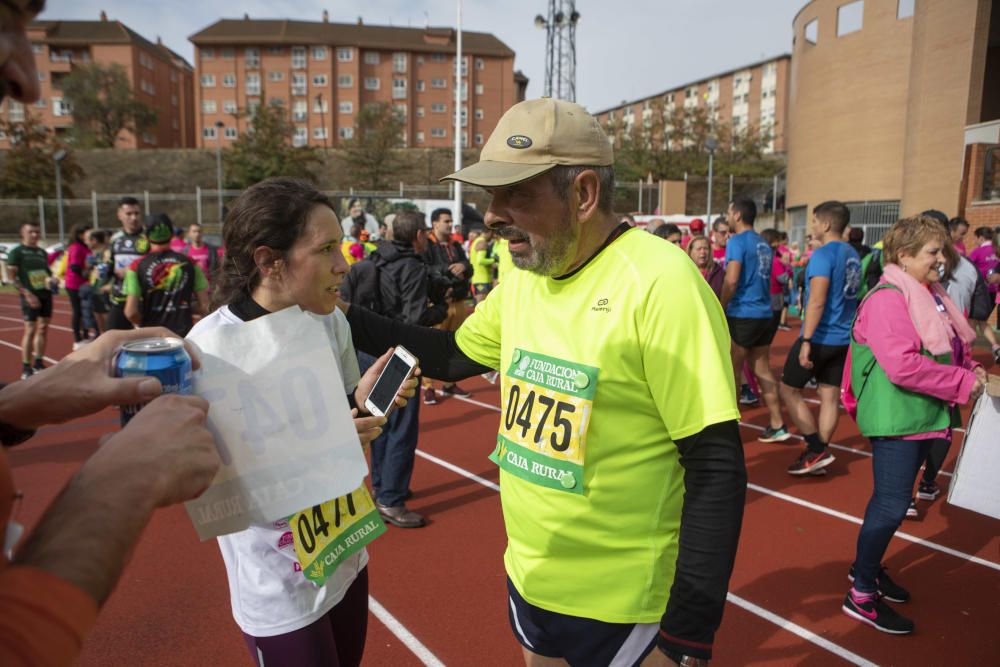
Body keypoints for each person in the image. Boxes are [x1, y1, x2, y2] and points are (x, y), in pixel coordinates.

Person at [340, 98, 746, 666]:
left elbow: (716, 465)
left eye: (518, 194)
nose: (494, 215)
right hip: (531, 578)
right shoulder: (527, 276)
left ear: (583, 194)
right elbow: (454, 355)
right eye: (491, 196)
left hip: (627, 602)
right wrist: (339, 313)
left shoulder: (661, 281)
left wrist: (687, 636)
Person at [188, 177, 417, 667]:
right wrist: (319, 444)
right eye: (327, 249)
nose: (344, 263)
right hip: (280, 584)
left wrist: (366, 401)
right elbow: (208, 486)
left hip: (344, 553)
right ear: (270, 261)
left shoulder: (328, 319)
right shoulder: (207, 350)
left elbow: (341, 421)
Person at [841, 215, 985, 634]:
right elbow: (902, 366)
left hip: (923, 413)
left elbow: (950, 348)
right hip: (900, 417)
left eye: (943, 250)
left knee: (891, 504)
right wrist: (962, 381)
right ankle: (861, 593)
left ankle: (863, 569)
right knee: (889, 505)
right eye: (933, 252)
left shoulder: (929, 292)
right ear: (903, 256)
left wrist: (970, 368)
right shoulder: (889, 298)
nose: (942, 259)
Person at [341, 211, 447, 528]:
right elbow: (413, 321)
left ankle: (383, 486)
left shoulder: (376, 259)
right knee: (401, 427)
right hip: (396, 358)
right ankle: (391, 498)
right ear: (417, 235)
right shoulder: (412, 267)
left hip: (367, 352)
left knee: (379, 424)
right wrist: (440, 308)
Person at [779, 202, 861, 475]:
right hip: (843, 337)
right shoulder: (852, 254)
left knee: (789, 389)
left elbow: (816, 300)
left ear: (826, 225)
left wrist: (806, 341)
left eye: (814, 221)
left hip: (821, 336)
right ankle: (819, 452)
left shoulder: (823, 255)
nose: (812, 227)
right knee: (828, 395)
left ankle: (816, 448)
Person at [721, 197, 790, 442]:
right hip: (764, 312)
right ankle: (777, 422)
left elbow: (732, 279)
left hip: (742, 312)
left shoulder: (738, 242)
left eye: (729, 212)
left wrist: (720, 305)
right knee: (762, 369)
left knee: (733, 372)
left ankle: (729, 431)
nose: (727, 217)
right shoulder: (762, 242)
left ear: (737, 215)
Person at [123, 214, 209, 337]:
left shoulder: (136, 266)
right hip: (183, 334)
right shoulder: (191, 263)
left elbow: (130, 312)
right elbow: (205, 305)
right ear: (172, 234)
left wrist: (143, 323)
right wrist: (184, 308)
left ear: (146, 235)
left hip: (152, 335)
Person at [421, 207, 474, 404]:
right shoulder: (427, 245)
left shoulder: (456, 245)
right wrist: (448, 271)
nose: (450, 224)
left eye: (451, 221)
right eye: (446, 221)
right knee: (431, 345)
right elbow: (424, 269)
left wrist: (464, 267)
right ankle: (428, 386)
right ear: (435, 223)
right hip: (438, 304)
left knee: (454, 345)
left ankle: (449, 383)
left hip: (458, 302)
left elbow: (470, 266)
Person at [7, 222, 55, 380]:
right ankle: (26, 366)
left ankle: (39, 363)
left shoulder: (41, 252)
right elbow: (12, 277)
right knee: (30, 329)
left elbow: (46, 272)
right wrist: (27, 294)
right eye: (31, 232)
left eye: (37, 232)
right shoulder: (17, 252)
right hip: (29, 294)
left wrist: (51, 279)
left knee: (43, 328)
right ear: (23, 233)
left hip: (45, 294)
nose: (34, 235)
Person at [107, 196, 148, 330]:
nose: (133, 218)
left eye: (136, 213)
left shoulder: (148, 237)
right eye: (129, 214)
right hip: (119, 298)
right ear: (119, 215)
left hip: (143, 301)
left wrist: (131, 271)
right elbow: (109, 265)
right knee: (112, 343)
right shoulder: (115, 239)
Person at [62, 223, 92, 349]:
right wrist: (85, 275)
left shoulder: (86, 247)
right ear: (80, 235)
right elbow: (74, 266)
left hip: (84, 284)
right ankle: (77, 338)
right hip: (74, 284)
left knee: (85, 310)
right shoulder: (76, 247)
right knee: (78, 310)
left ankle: (85, 335)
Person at [85, 229, 111, 335]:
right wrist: (88, 266)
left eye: (88, 240)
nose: (86, 243)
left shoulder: (108, 253)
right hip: (95, 291)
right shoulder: (94, 255)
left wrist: (110, 285)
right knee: (100, 326)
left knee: (109, 326)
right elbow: (87, 274)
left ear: (94, 240)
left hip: (106, 293)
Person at [469, 226, 496, 303]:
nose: (493, 236)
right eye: (492, 233)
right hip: (482, 280)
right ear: (489, 232)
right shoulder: (482, 242)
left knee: (479, 306)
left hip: (477, 278)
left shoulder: (476, 241)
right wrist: (494, 260)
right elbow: (480, 260)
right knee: (481, 306)